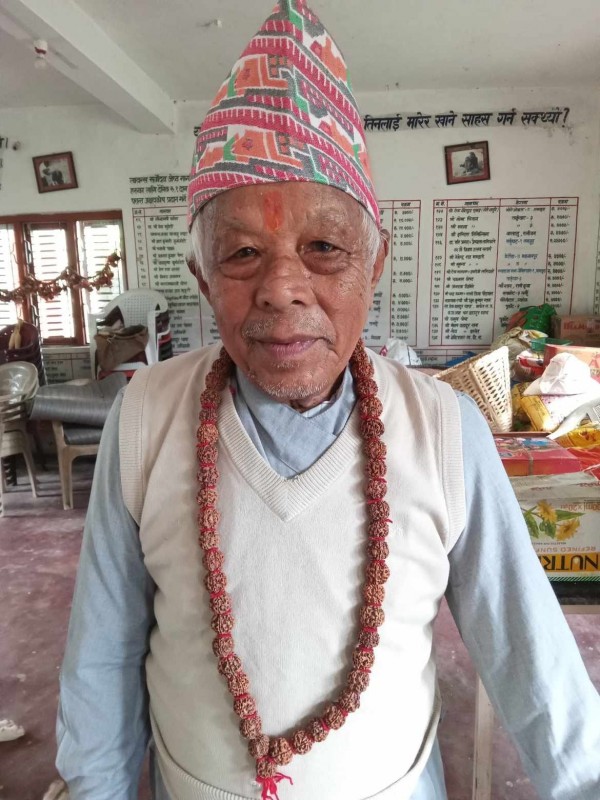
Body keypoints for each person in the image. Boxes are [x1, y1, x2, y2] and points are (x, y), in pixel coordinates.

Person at [56, 2, 600, 799]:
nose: (282, 288)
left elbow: (529, 653)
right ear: (202, 277)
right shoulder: (145, 418)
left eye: (323, 247)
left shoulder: (444, 430)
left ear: (373, 265)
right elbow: (102, 652)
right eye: (242, 252)